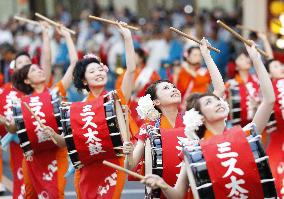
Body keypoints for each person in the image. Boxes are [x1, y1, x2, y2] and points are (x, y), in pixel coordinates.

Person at [141, 41, 275, 199]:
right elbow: (177, 195)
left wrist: (256, 60)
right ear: (200, 117)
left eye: (217, 100)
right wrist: (163, 184)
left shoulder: (241, 136)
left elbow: (269, 100)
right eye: (208, 102)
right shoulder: (194, 152)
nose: (218, 102)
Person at [123, 38, 225, 199]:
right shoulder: (148, 128)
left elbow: (219, 90)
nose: (173, 89)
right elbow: (130, 165)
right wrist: (128, 153)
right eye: (166, 88)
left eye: (173, 87)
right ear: (156, 101)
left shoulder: (191, 119)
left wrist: (206, 55)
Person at [49, 21, 137, 199]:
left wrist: (127, 38)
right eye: (92, 71)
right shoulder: (77, 108)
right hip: (86, 170)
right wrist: (53, 134)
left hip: (113, 164)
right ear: (83, 81)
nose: (99, 72)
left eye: (100, 69)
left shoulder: (116, 97)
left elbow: (131, 70)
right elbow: (65, 142)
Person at [3, 25, 77, 199]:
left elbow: (74, 64)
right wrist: (9, 124)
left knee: (55, 194)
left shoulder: (55, 92)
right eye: (34, 70)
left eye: (39, 68)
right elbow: (13, 129)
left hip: (55, 154)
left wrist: (67, 37)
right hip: (32, 157)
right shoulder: (22, 102)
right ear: (27, 80)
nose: (39, 70)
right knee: (29, 195)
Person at [0, 21, 52, 198]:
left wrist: (46, 35)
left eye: (28, 62)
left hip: (43, 145)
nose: (24, 64)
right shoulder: (6, 90)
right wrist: (7, 123)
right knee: (22, 186)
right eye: (20, 62)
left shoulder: (40, 87)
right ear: (13, 68)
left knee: (47, 188)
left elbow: (47, 61)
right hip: (18, 145)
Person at [259, 32, 284, 198]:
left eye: (281, 65)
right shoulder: (269, 90)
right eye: (275, 67)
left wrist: (265, 40)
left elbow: (270, 62)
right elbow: (267, 63)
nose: (281, 67)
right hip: (277, 138)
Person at [115, 47, 160, 127]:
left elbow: (157, 88)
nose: (131, 60)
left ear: (141, 58)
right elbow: (119, 90)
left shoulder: (150, 72)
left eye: (134, 57)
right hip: (130, 104)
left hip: (147, 106)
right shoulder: (125, 74)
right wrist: (131, 89)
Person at [225, 46, 260, 127]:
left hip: (258, 124)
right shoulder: (230, 84)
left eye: (247, 57)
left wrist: (258, 105)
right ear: (236, 66)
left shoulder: (257, 80)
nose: (247, 60)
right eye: (241, 59)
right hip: (237, 127)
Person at [175, 46, 211, 111]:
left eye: (200, 55)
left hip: (199, 106)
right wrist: (176, 75)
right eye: (195, 55)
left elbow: (203, 81)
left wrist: (188, 70)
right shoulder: (182, 71)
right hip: (183, 107)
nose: (198, 57)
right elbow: (178, 90)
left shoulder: (204, 71)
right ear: (187, 57)